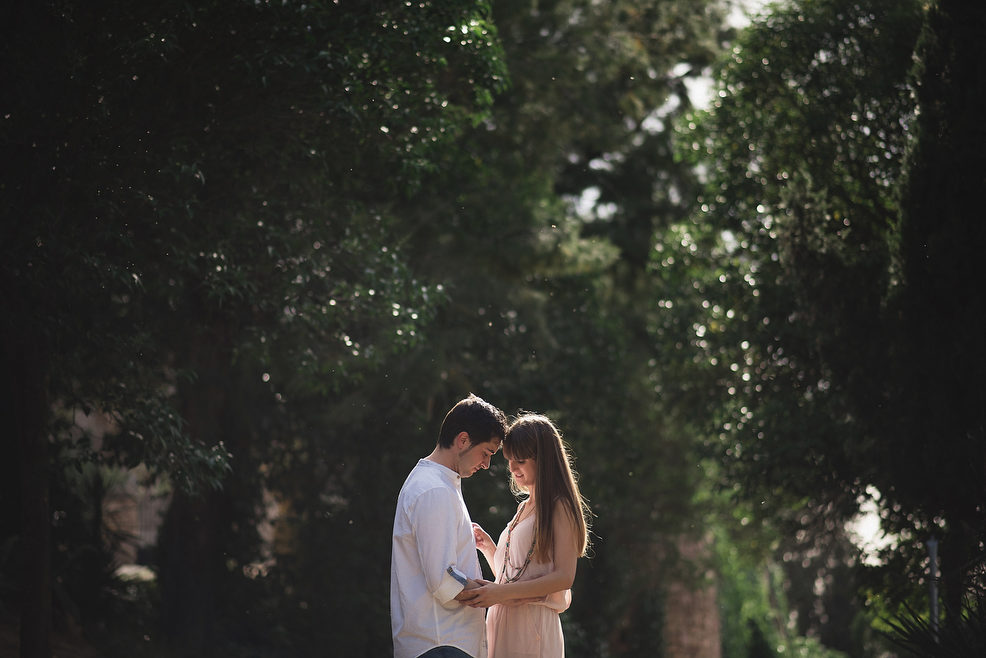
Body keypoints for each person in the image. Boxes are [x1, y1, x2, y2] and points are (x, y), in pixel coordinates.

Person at [391, 393, 508, 658]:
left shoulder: (439, 483)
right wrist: (501, 594)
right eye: (486, 453)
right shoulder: (434, 489)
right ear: (463, 440)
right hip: (440, 643)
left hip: (443, 642)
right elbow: (445, 580)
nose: (487, 464)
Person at [465, 413, 592, 658]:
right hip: (504, 623)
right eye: (510, 459)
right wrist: (490, 549)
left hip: (532, 626)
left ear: (543, 460)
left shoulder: (559, 506)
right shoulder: (524, 506)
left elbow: (564, 577)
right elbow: (517, 576)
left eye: (520, 460)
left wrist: (498, 593)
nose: (512, 468)